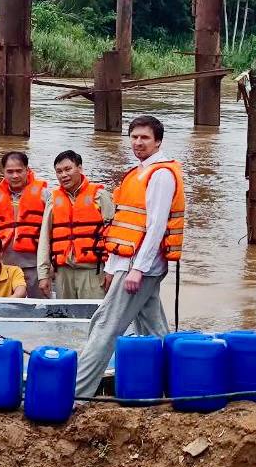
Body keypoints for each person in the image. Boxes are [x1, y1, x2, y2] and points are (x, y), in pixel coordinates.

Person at [74, 115, 185, 396]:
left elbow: (156, 227)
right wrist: (112, 267)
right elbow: (122, 225)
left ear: (158, 141)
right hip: (127, 262)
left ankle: (77, 394)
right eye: (134, 137)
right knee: (153, 330)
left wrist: (138, 269)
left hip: (140, 266)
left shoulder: (160, 175)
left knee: (105, 326)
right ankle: (178, 386)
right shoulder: (135, 174)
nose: (138, 142)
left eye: (145, 137)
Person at [37, 150, 114, 300]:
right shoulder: (53, 199)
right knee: (65, 317)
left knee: (94, 317)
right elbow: (45, 238)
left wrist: (112, 271)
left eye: (68, 169)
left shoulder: (100, 196)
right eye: (59, 171)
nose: (63, 175)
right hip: (63, 272)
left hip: (93, 272)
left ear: (80, 168)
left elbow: (113, 235)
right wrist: (43, 275)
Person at [0, 151, 49, 298]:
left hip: (35, 266)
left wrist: (50, 267)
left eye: (19, 171)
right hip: (6, 265)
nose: (15, 176)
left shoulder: (44, 195)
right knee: (7, 308)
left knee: (40, 308)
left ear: (27, 170)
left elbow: (54, 231)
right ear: (3, 173)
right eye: (10, 172)